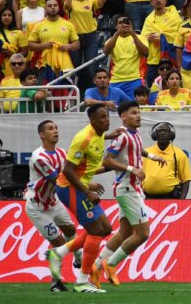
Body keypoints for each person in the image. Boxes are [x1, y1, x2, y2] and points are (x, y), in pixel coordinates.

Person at [94, 101, 167, 287]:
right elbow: (108, 160)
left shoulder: (135, 133)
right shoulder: (122, 136)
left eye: (139, 112)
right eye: (134, 113)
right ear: (123, 117)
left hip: (133, 188)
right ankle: (110, 264)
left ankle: (94, 269)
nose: (138, 116)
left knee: (125, 232)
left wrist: (152, 157)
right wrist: (131, 169)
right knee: (143, 234)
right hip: (127, 188)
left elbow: (137, 149)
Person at [56, 103, 117, 293]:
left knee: (105, 228)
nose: (106, 120)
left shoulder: (98, 134)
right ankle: (82, 281)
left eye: (107, 117)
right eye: (102, 117)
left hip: (80, 186)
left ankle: (59, 252)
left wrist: (110, 135)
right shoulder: (84, 138)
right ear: (92, 120)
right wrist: (87, 190)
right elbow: (67, 169)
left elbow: (97, 141)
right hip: (69, 188)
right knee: (96, 230)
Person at [26, 121, 78, 292]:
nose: (55, 131)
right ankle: (55, 282)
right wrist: (86, 187)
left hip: (53, 202)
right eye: (50, 129)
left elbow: (71, 172)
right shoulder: (38, 157)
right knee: (59, 242)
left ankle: (78, 259)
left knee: (70, 230)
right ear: (42, 135)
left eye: (56, 128)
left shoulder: (62, 153)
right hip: (37, 207)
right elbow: (58, 179)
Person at [143, 122, 191, 199]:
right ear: (155, 135)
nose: (162, 133)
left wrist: (181, 202)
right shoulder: (146, 153)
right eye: (160, 131)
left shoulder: (179, 154)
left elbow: (186, 180)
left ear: (171, 135)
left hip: (170, 198)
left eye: (165, 131)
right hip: (147, 198)